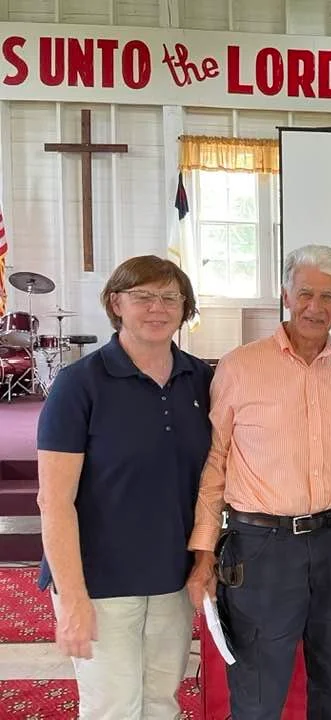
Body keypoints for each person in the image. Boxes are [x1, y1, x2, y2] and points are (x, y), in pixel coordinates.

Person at [186, 245, 331, 720]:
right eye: (305, 293)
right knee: (257, 690)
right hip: (260, 548)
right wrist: (204, 556)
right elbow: (214, 465)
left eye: (329, 296)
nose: (315, 306)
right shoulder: (239, 367)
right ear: (285, 295)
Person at [36, 255, 211, 719]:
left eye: (170, 297)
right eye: (143, 296)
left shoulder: (203, 378)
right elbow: (54, 501)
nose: (158, 307)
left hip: (172, 578)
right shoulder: (79, 385)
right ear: (116, 302)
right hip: (101, 582)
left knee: (160, 703)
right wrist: (72, 599)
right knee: (113, 708)